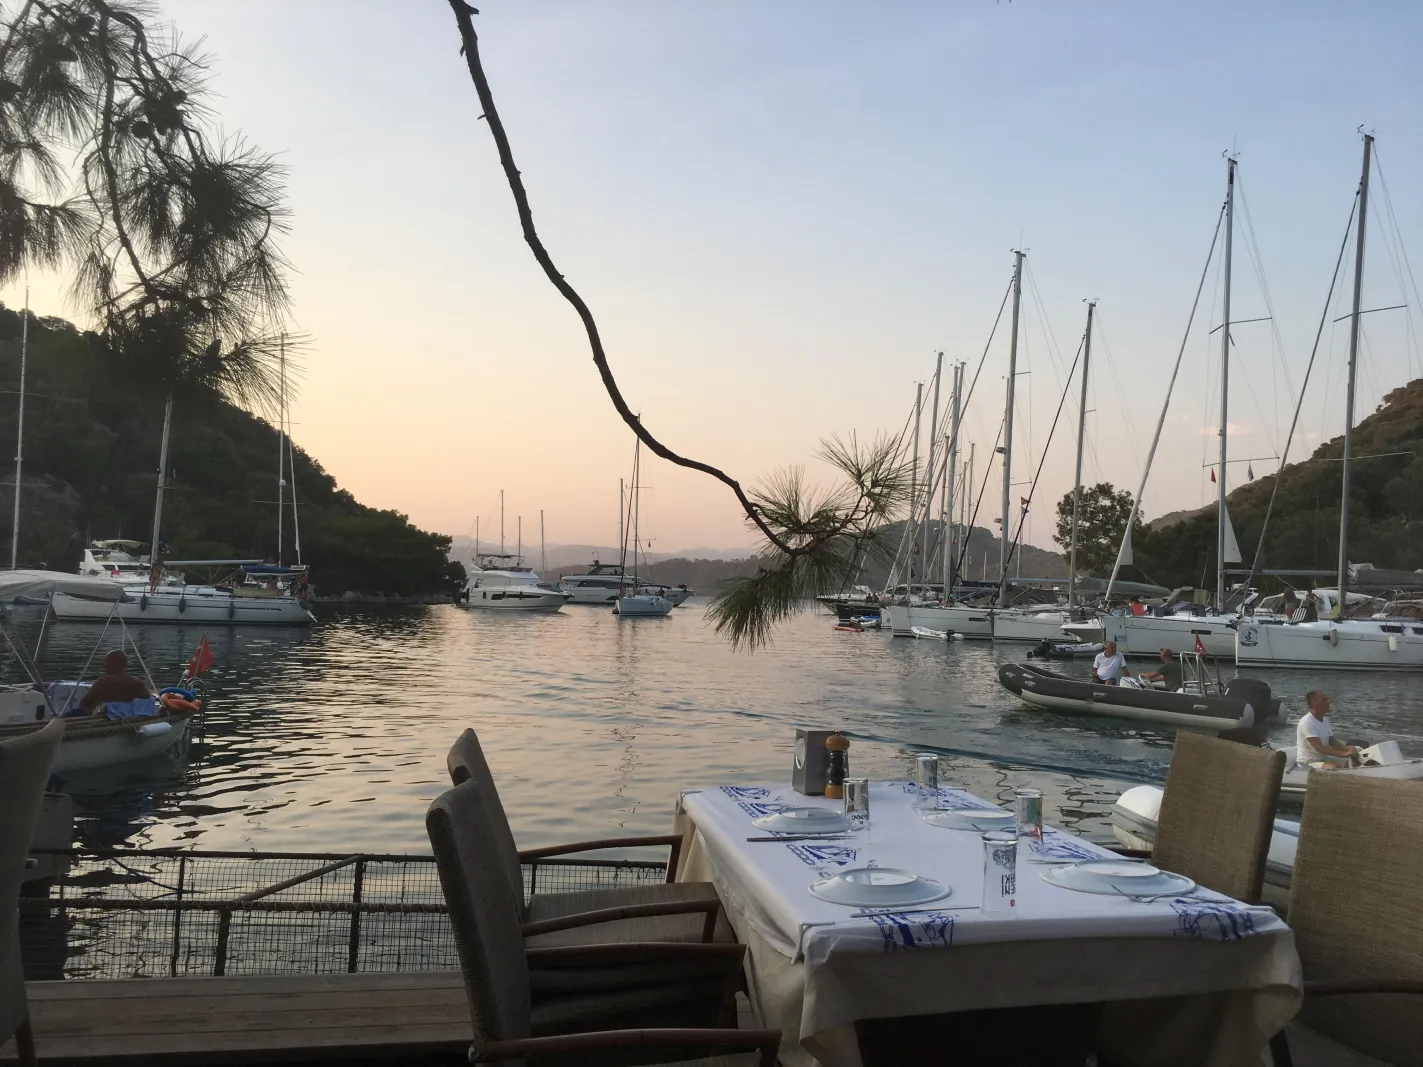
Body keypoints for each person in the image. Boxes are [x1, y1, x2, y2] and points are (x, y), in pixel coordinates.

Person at [1296, 690, 1359, 770]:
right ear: (1315, 704)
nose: (1328, 702)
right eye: (1324, 700)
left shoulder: (1325, 720)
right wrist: (1344, 754)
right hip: (1307, 763)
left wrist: (1348, 748)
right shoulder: (1307, 722)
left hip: (1323, 759)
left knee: (1351, 764)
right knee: (1332, 768)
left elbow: (1334, 743)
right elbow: (1320, 748)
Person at [79, 649, 152, 714]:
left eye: (107, 662)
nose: (104, 666)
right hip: (125, 722)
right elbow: (148, 702)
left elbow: (82, 704)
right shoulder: (137, 684)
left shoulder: (102, 683)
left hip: (96, 722)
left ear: (117, 664)